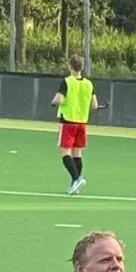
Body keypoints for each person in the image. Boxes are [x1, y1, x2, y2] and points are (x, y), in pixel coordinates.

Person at [51, 54, 99, 195]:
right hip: (82, 123)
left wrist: (53, 102)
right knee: (77, 153)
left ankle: (76, 178)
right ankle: (74, 183)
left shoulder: (67, 81)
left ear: (70, 66)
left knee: (65, 152)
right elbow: (95, 105)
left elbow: (58, 99)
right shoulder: (89, 84)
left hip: (68, 121)